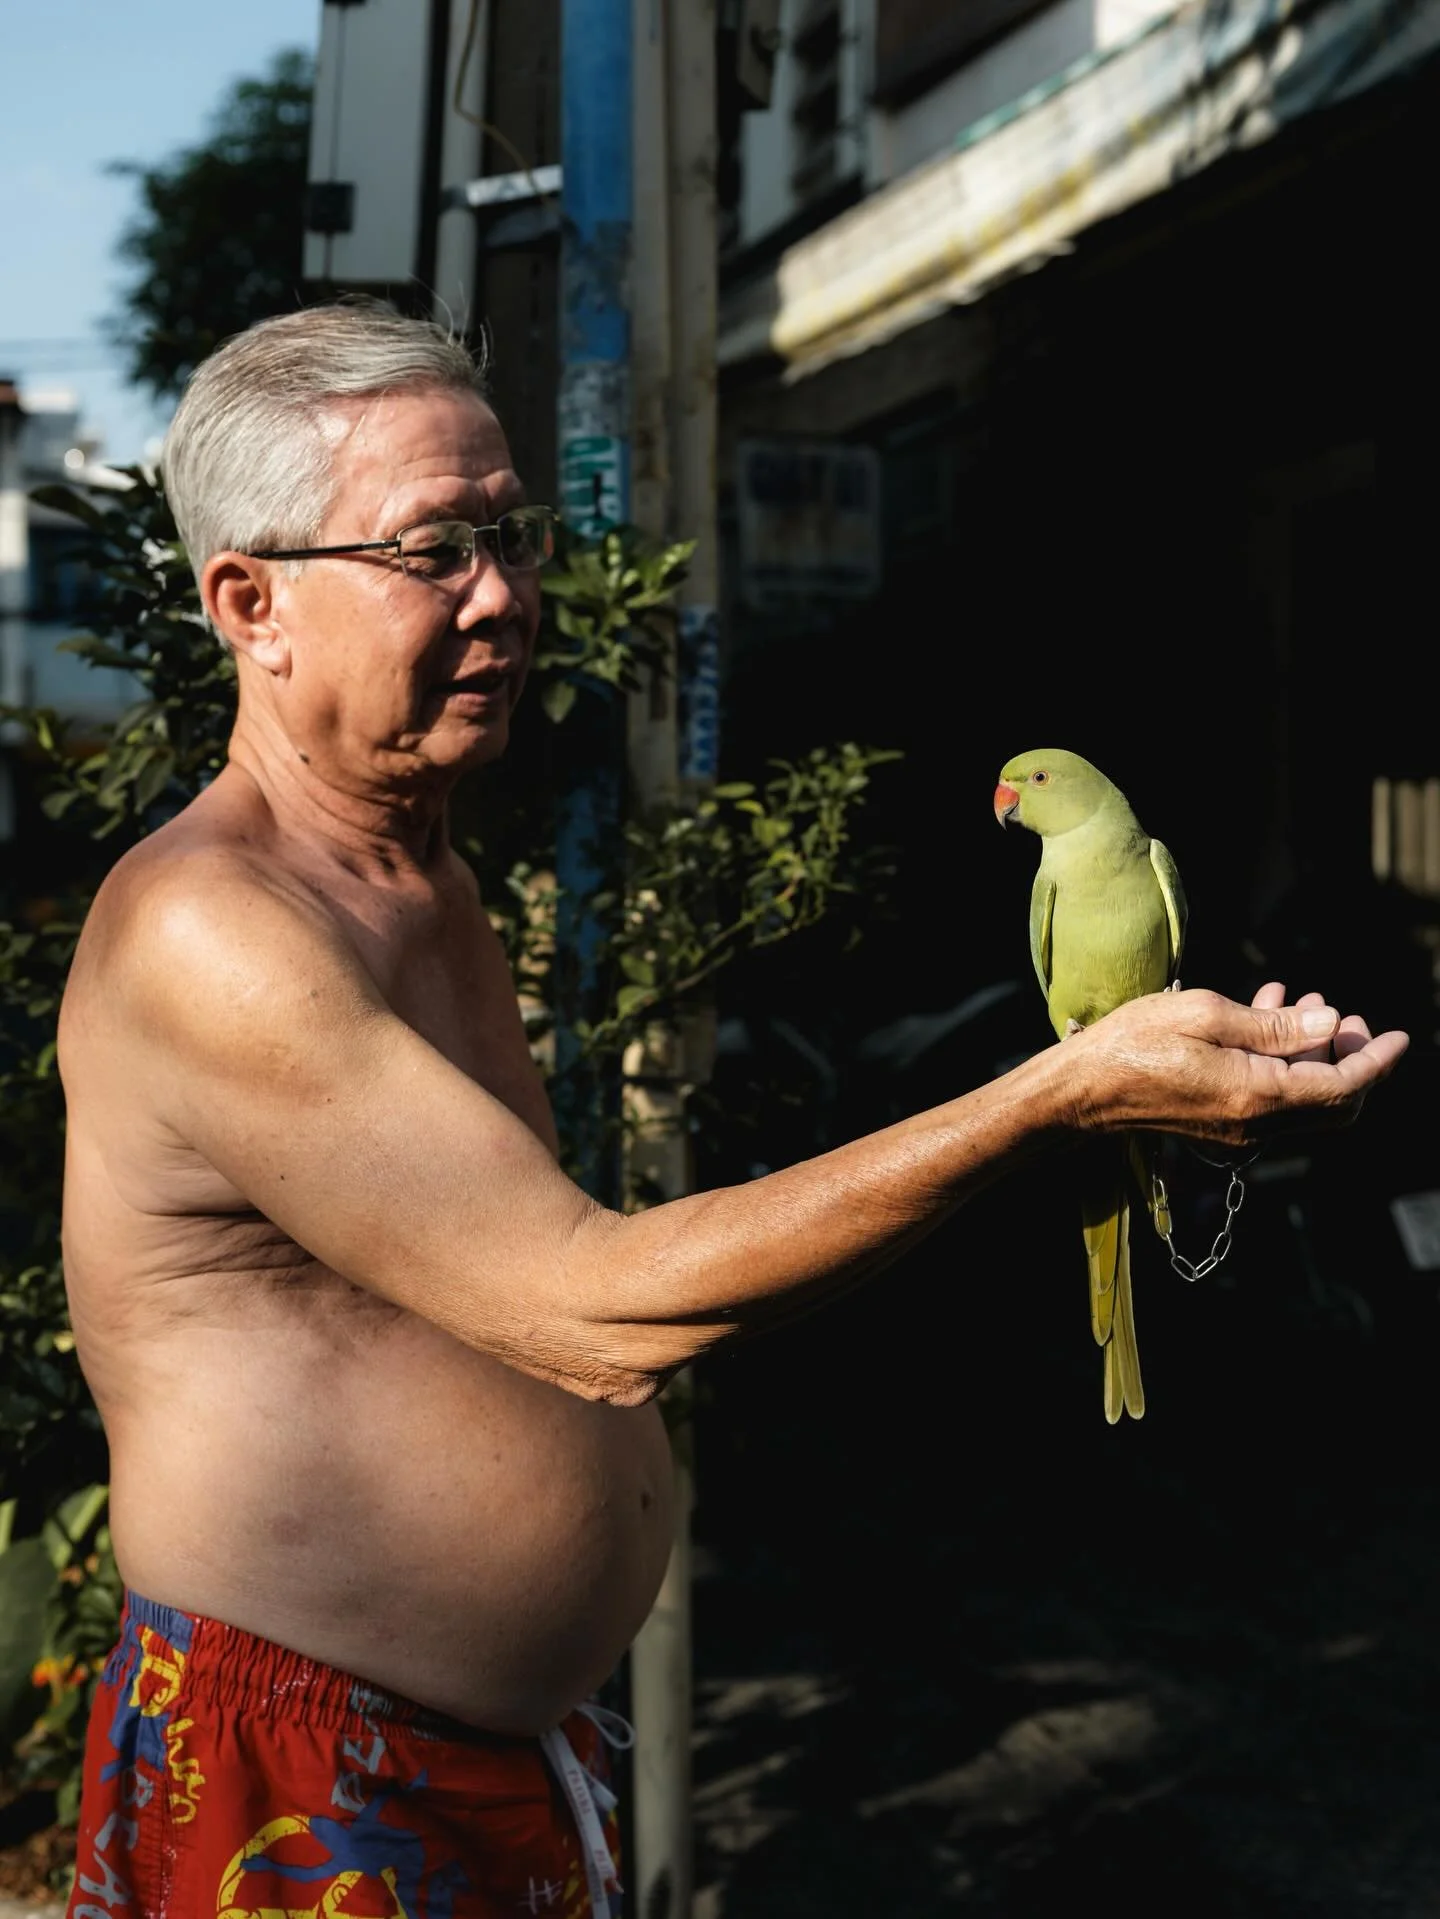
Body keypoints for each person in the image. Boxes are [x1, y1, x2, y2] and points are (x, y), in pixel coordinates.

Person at [55, 301, 1407, 1919]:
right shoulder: (213, 928)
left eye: (510, 531)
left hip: (512, 1751)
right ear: (251, 603)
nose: (505, 593)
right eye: (433, 549)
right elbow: (588, 1307)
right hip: (310, 1779)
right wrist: (1059, 1093)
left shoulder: (425, 874)